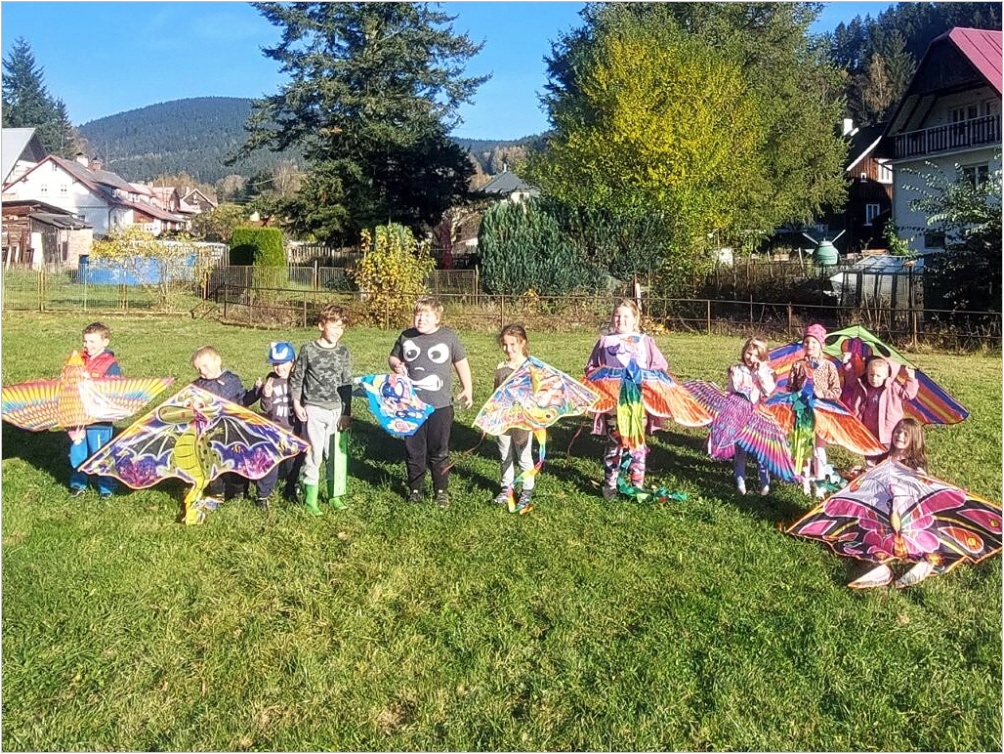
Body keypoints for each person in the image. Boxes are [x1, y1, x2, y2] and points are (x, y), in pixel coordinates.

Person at [389, 296, 473, 509]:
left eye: (426, 315)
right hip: (411, 406)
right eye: (418, 314)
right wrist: (396, 364)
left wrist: (468, 388)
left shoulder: (448, 337)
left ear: (437, 318)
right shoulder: (406, 336)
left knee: (439, 450)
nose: (420, 319)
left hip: (440, 406)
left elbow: (461, 363)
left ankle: (441, 490)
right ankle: (415, 489)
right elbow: (393, 357)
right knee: (414, 450)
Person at [585, 298, 669, 499]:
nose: (620, 320)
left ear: (634, 319)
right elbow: (591, 368)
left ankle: (637, 485)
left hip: (637, 402)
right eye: (617, 315)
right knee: (614, 442)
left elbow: (660, 367)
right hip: (613, 403)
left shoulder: (645, 341)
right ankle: (610, 485)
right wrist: (603, 378)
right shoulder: (605, 342)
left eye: (625, 316)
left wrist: (645, 377)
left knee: (637, 443)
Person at [850, 418, 935, 589]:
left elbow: (922, 491)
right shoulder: (884, 456)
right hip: (879, 505)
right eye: (898, 431)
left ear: (914, 439)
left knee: (900, 537)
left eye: (906, 434)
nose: (900, 436)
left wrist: (923, 478)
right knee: (863, 531)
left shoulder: (915, 464)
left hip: (902, 513)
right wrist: (862, 473)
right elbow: (876, 478)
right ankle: (879, 567)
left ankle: (920, 562)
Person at [290, 304, 354, 516]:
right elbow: (297, 378)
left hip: (336, 411)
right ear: (320, 325)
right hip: (314, 409)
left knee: (334, 455)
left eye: (341, 327)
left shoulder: (343, 351)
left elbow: (347, 383)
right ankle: (310, 499)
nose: (337, 331)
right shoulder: (308, 350)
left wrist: (346, 413)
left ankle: (335, 495)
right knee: (314, 454)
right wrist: (297, 403)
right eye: (333, 326)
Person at [190, 345, 254, 502]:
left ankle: (240, 490)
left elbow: (243, 400)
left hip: (233, 431)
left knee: (236, 461)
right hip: (210, 433)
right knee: (211, 462)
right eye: (198, 369)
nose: (202, 371)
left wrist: (258, 392)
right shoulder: (197, 385)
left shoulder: (232, 380)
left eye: (205, 366)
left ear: (217, 361)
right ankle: (217, 492)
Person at [245, 341, 303, 510]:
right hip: (274, 430)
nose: (279, 368)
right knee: (270, 463)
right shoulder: (271, 380)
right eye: (275, 364)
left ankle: (292, 489)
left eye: (283, 363)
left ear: (292, 362)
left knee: (294, 463)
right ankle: (263, 495)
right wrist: (266, 395)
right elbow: (266, 408)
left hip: (294, 430)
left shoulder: (298, 380)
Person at [787, 323, 842, 492]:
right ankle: (804, 481)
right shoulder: (798, 365)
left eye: (814, 342)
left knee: (819, 448)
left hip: (821, 412)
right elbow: (790, 387)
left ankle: (819, 482)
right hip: (802, 411)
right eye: (806, 342)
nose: (809, 345)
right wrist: (795, 396)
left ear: (821, 345)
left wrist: (822, 393)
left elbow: (837, 391)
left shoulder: (829, 366)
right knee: (803, 447)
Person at [69, 322, 122, 498]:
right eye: (85, 341)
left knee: (100, 453)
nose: (87, 345)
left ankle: (107, 487)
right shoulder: (79, 360)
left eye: (92, 342)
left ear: (105, 342)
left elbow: (114, 390)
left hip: (99, 420)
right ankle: (78, 483)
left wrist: (90, 382)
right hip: (78, 416)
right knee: (78, 452)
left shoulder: (110, 364)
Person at [843, 353, 919, 465]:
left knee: (888, 455)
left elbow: (908, 394)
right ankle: (872, 467)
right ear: (867, 373)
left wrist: (911, 378)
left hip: (889, 429)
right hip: (868, 429)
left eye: (878, 376)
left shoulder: (893, 386)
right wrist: (846, 363)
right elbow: (851, 380)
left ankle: (889, 467)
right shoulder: (863, 385)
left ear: (886, 376)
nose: (874, 378)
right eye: (871, 375)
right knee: (870, 453)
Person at [492, 324, 535, 514]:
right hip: (503, 418)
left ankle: (526, 491)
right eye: (504, 344)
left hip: (523, 420)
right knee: (504, 455)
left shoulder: (530, 367)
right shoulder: (501, 367)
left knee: (524, 456)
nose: (508, 349)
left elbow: (539, 394)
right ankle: (506, 488)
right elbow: (495, 395)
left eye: (512, 344)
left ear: (522, 343)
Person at [727, 336, 776, 496]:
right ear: (744, 352)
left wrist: (760, 373)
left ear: (763, 357)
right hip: (740, 415)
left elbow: (769, 390)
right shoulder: (737, 370)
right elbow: (731, 391)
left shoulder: (766, 372)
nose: (751, 358)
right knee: (740, 450)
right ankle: (740, 480)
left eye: (756, 355)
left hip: (759, 416)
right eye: (749, 353)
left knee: (761, 451)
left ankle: (764, 482)